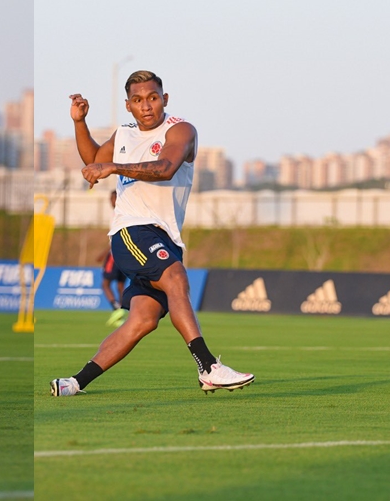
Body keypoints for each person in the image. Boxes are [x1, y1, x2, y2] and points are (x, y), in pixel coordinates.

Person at [50, 70, 254, 396]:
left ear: (165, 99)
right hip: (132, 230)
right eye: (138, 100)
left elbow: (165, 168)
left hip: (166, 236)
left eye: (153, 98)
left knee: (142, 320)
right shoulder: (124, 134)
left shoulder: (181, 130)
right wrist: (79, 123)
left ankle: (74, 383)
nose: (147, 106)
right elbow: (93, 159)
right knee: (175, 278)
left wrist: (114, 168)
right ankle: (208, 367)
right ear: (128, 106)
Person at [98, 190, 129, 327]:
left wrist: (105, 253)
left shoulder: (118, 214)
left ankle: (116, 308)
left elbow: (115, 238)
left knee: (105, 284)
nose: (111, 201)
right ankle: (121, 313)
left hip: (115, 253)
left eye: (113, 198)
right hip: (127, 253)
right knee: (120, 285)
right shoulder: (128, 213)